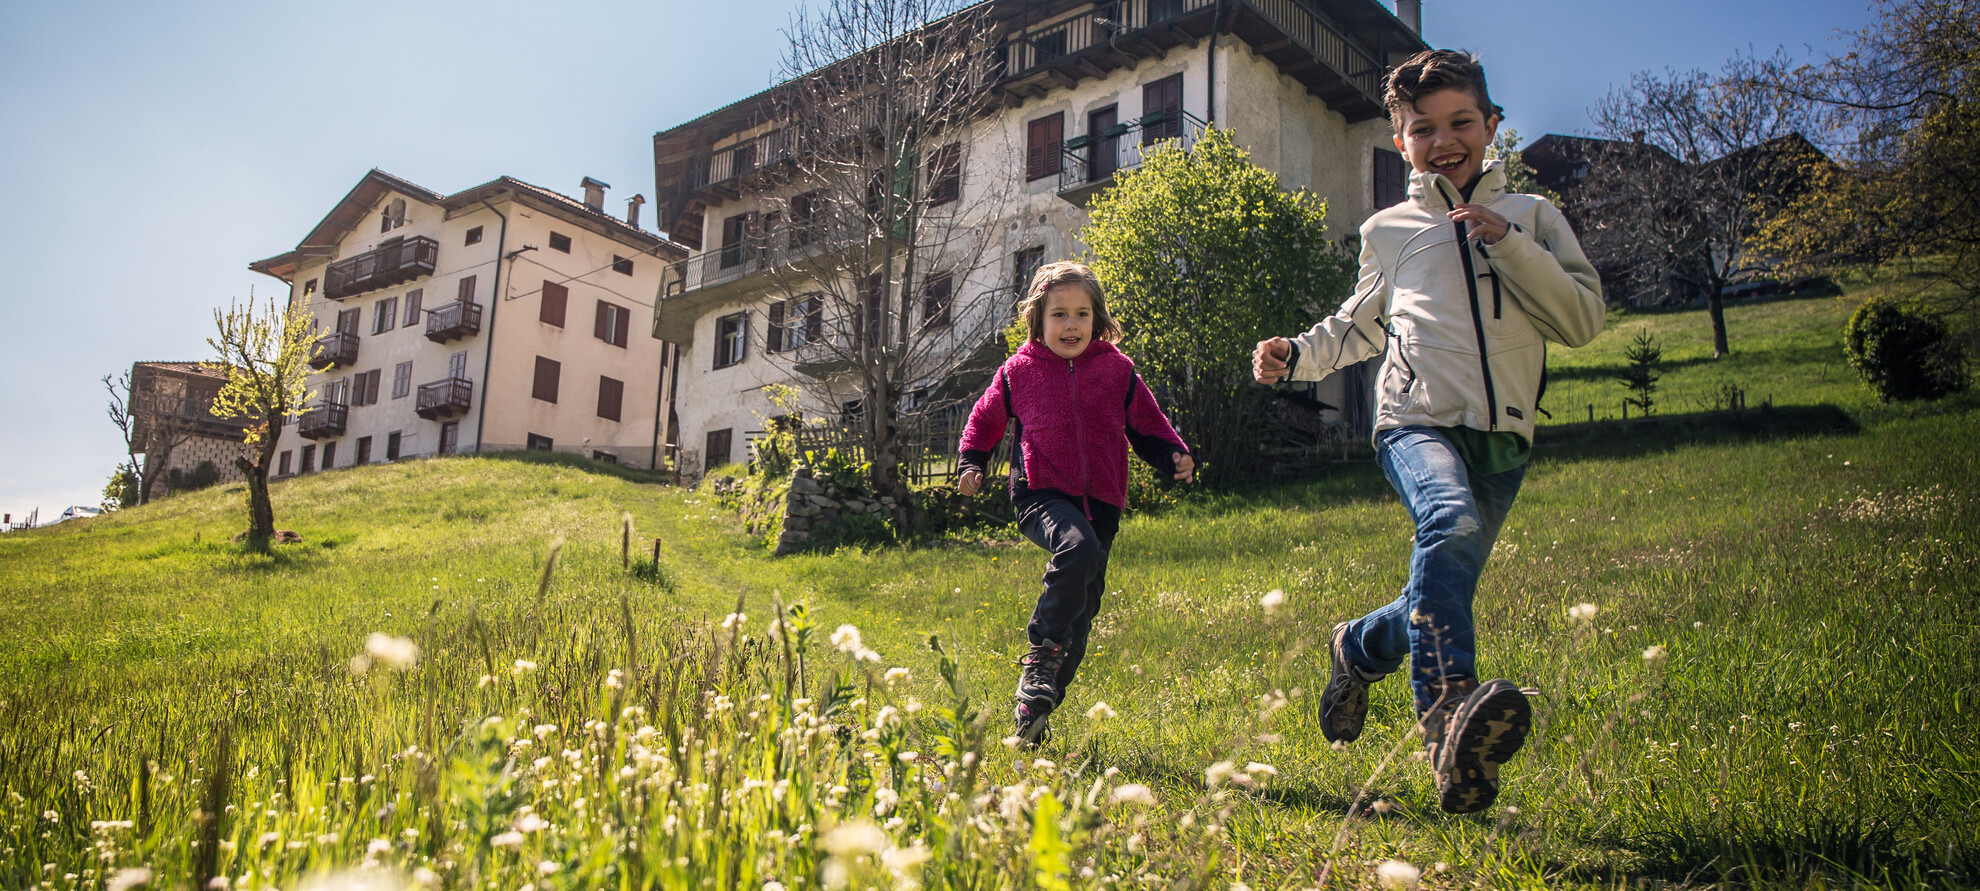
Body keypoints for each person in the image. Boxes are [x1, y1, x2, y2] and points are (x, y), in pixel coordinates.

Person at [1252, 49, 1605, 813]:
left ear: (1492, 126)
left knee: (1437, 588)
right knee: (1445, 523)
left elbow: (1580, 319)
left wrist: (1506, 244)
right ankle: (1447, 722)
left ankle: (1357, 647)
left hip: (1505, 436)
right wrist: (1297, 355)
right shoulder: (1391, 230)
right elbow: (1357, 326)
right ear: (1400, 140)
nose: (1444, 141)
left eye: (1460, 123)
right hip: (1413, 421)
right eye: (1422, 129)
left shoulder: (1536, 218)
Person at [958, 260, 1194, 744]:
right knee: (1077, 549)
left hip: (1102, 502)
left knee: (1083, 617)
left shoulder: (1116, 370)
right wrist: (972, 461)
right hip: (1040, 492)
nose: (1070, 325)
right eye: (1059, 314)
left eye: (1082, 314)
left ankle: (1035, 706)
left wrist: (1173, 455)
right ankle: (1041, 652)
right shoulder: (1019, 371)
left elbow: (1147, 425)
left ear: (1098, 319)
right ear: (1038, 322)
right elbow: (984, 420)